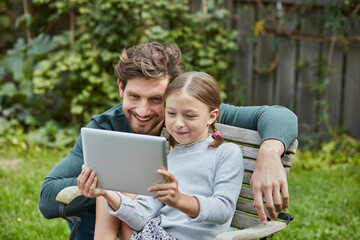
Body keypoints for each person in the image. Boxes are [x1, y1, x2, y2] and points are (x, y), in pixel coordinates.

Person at [39, 41, 298, 239]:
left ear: (174, 92)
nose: (142, 111)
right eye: (133, 97)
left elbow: (278, 115)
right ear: (120, 87)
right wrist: (108, 183)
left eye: (155, 100)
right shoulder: (106, 127)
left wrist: (270, 153)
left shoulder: (192, 116)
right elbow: (48, 197)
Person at [77, 71, 244, 240]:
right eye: (171, 114)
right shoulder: (166, 157)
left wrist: (179, 200)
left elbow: (223, 210)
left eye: (189, 116)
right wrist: (106, 192)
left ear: (211, 116)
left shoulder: (226, 153)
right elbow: (141, 217)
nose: (178, 123)